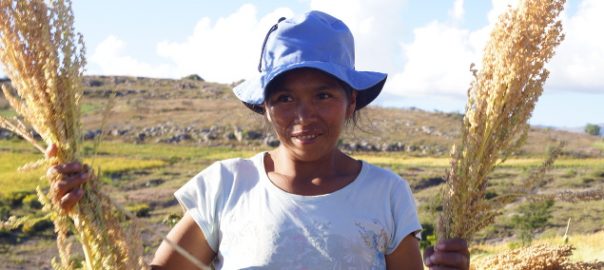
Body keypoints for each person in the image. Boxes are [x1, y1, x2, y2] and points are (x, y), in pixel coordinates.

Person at [49, 10, 470, 269]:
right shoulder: (226, 186)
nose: (303, 115)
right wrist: (90, 214)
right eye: (285, 98)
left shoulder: (386, 193)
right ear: (265, 108)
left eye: (323, 95)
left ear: (351, 101)